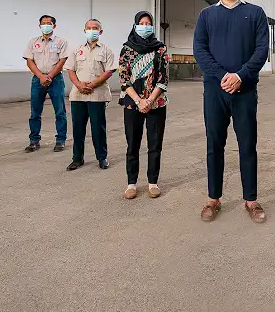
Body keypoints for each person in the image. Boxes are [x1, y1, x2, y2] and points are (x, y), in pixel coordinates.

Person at [193, 0, 269, 223]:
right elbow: (200, 51)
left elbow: (261, 51)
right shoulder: (206, 16)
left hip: (245, 91)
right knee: (215, 145)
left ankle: (251, 200)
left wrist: (240, 76)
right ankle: (214, 198)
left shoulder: (256, 14)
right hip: (215, 92)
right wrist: (223, 76)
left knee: (247, 145)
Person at [119, 11, 169, 200]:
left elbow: (164, 78)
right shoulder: (127, 49)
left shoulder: (160, 49)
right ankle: (131, 183)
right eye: (142, 23)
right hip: (133, 103)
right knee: (133, 144)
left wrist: (150, 100)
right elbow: (124, 79)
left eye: (148, 23)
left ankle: (153, 182)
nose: (145, 26)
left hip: (157, 103)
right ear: (135, 25)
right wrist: (139, 100)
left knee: (155, 144)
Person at [64, 19, 116, 170]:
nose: (91, 30)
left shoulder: (106, 50)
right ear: (84, 30)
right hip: (78, 95)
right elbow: (71, 70)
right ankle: (77, 158)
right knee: (78, 128)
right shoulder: (77, 50)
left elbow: (109, 71)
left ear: (100, 32)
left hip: (97, 95)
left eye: (95, 28)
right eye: (89, 28)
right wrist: (79, 85)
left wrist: (93, 84)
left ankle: (102, 157)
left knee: (98, 129)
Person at [23, 15, 68, 152]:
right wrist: (41, 76)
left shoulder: (61, 42)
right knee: (35, 112)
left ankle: (60, 140)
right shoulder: (33, 42)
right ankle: (34, 140)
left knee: (60, 111)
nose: (46, 25)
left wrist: (49, 76)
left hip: (56, 80)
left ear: (54, 26)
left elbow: (62, 61)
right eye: (43, 23)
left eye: (49, 23)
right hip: (38, 79)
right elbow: (29, 61)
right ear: (39, 25)